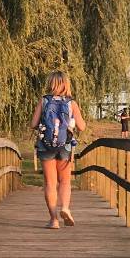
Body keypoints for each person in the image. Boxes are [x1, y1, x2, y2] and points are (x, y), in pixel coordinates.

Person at [30, 70, 86, 229]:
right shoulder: (71, 103)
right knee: (65, 181)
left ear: (51, 84)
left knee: (50, 183)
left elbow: (33, 124)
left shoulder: (44, 101)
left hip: (45, 145)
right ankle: (66, 208)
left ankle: (54, 220)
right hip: (65, 146)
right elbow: (81, 127)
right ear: (66, 84)